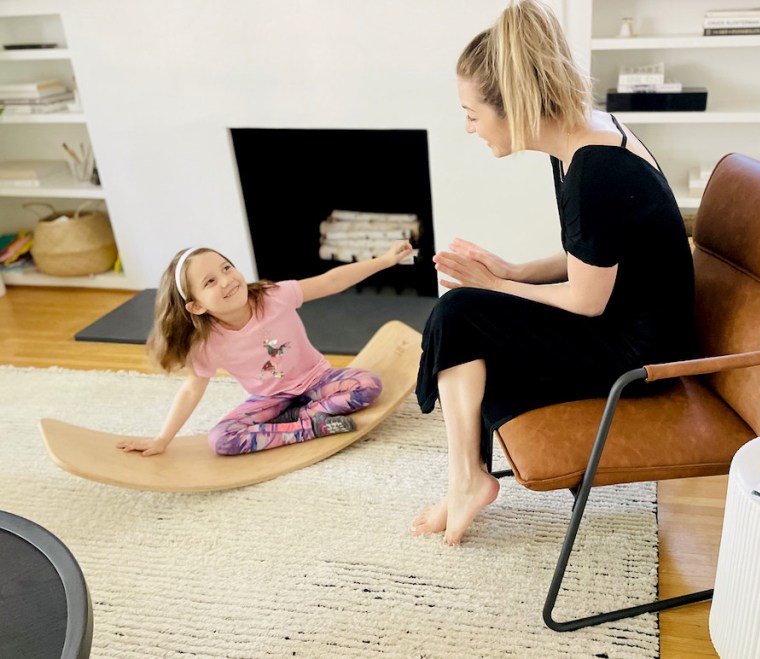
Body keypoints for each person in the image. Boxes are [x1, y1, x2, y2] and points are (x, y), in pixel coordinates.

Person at [411, 0, 696, 545]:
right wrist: (514, 270)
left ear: (514, 107)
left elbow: (587, 300)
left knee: (462, 312)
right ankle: (466, 477)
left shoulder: (596, 170)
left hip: (641, 353)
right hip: (622, 315)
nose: (468, 127)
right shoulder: (579, 140)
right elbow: (595, 255)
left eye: (472, 113)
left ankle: (466, 480)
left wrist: (496, 286)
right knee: (467, 314)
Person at [116, 240, 413, 457]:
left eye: (226, 268)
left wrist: (385, 260)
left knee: (367, 386)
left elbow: (330, 281)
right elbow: (192, 389)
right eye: (210, 281)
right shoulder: (206, 345)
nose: (227, 280)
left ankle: (304, 416)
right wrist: (162, 439)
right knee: (221, 440)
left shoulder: (274, 296)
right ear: (196, 306)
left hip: (317, 381)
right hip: (270, 401)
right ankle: (308, 427)